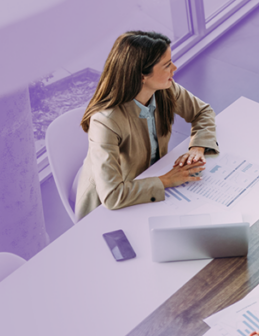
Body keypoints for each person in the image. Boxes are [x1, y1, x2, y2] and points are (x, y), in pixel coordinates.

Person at [75, 31, 218, 220]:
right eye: (167, 65)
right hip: (108, 207)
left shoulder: (165, 89)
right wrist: (167, 180)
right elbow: (112, 196)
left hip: (150, 179)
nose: (174, 68)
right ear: (142, 75)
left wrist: (197, 148)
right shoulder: (105, 121)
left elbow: (203, 112)